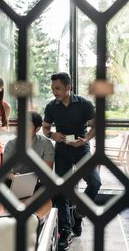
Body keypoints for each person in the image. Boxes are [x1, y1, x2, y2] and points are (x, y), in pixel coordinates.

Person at [42, 72, 101, 251]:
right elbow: (45, 128)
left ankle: (79, 213)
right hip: (62, 150)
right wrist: (53, 135)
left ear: (69, 88)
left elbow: (95, 125)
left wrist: (86, 140)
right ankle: (65, 230)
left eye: (58, 88)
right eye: (53, 88)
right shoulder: (51, 106)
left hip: (82, 149)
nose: (54, 92)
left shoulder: (84, 104)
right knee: (62, 189)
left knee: (95, 182)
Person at [3, 111, 54, 177]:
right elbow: (5, 171)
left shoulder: (46, 144)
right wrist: (14, 177)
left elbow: (48, 170)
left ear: (37, 129)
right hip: (15, 180)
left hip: (38, 181)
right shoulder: (11, 144)